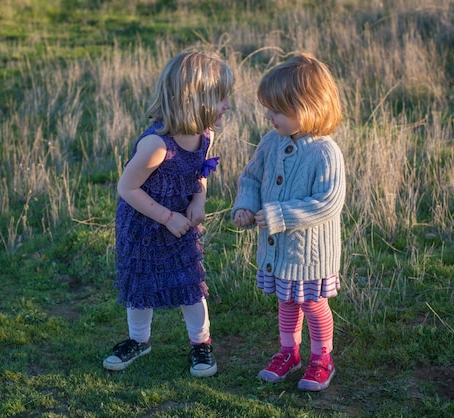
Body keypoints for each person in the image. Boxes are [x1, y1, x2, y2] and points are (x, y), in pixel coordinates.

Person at [103, 51, 234, 378]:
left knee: (190, 282)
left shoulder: (205, 134)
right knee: (140, 285)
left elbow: (200, 172)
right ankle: (139, 340)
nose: (228, 105)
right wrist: (166, 217)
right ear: (195, 100)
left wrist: (199, 199)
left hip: (181, 220)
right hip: (144, 222)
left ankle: (201, 343)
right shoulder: (157, 145)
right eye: (221, 98)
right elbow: (127, 188)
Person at [232, 52, 345, 391]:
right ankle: (288, 352)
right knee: (286, 301)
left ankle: (321, 358)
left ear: (309, 108)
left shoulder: (325, 152)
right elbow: (251, 177)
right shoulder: (271, 142)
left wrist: (280, 215)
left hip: (310, 254)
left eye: (277, 110)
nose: (269, 116)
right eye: (268, 107)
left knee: (312, 303)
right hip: (278, 251)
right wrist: (245, 205)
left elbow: (328, 202)